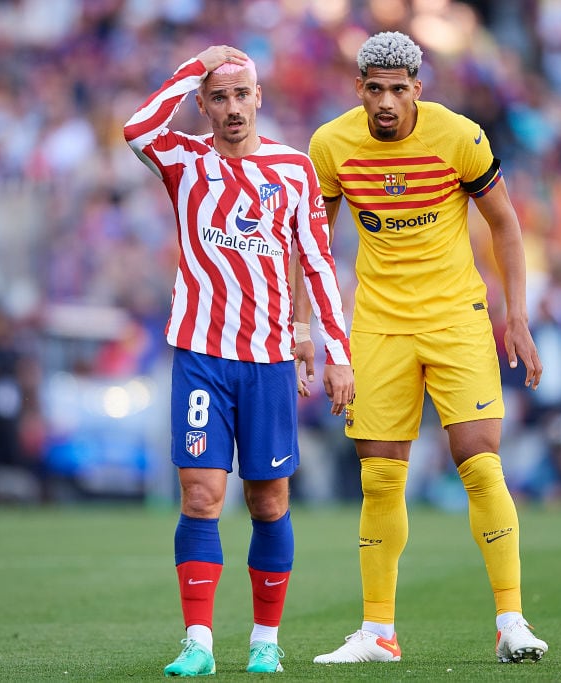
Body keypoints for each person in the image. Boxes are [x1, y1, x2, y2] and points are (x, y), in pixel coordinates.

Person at [298, 31, 548, 665]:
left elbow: (506, 225)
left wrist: (515, 316)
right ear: (358, 88)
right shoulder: (330, 145)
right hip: (378, 325)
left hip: (456, 319)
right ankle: (378, 632)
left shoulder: (458, 137)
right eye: (374, 89)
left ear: (418, 88)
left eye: (398, 89)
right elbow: (314, 249)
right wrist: (310, 332)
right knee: (380, 478)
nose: (386, 102)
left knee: (479, 461)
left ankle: (511, 620)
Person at [124, 45, 354, 676]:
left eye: (240, 95)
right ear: (203, 104)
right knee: (200, 495)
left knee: (269, 501)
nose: (230, 109)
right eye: (217, 97)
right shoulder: (184, 160)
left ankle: (264, 641)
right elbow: (136, 129)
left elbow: (317, 263)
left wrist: (336, 352)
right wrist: (192, 67)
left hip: (270, 358)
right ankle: (197, 641)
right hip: (200, 352)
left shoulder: (294, 169)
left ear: (260, 98)